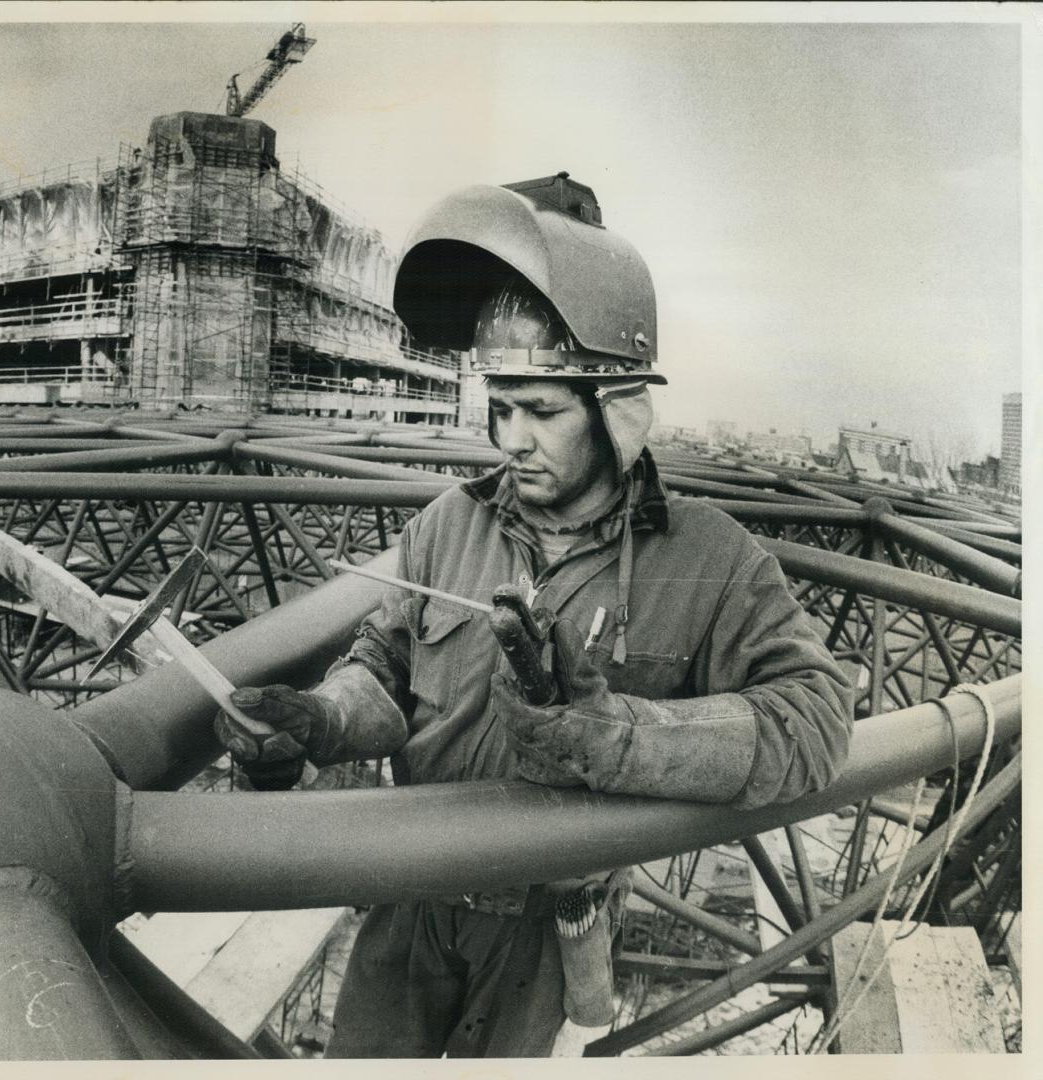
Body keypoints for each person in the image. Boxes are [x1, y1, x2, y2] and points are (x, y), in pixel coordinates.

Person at [214, 174, 855, 1058]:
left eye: (542, 412)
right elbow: (384, 670)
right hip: (411, 890)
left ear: (618, 413)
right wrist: (321, 719)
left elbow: (816, 721)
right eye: (501, 408)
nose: (511, 440)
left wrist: (617, 738)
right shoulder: (449, 523)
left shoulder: (710, 562)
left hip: (549, 938)